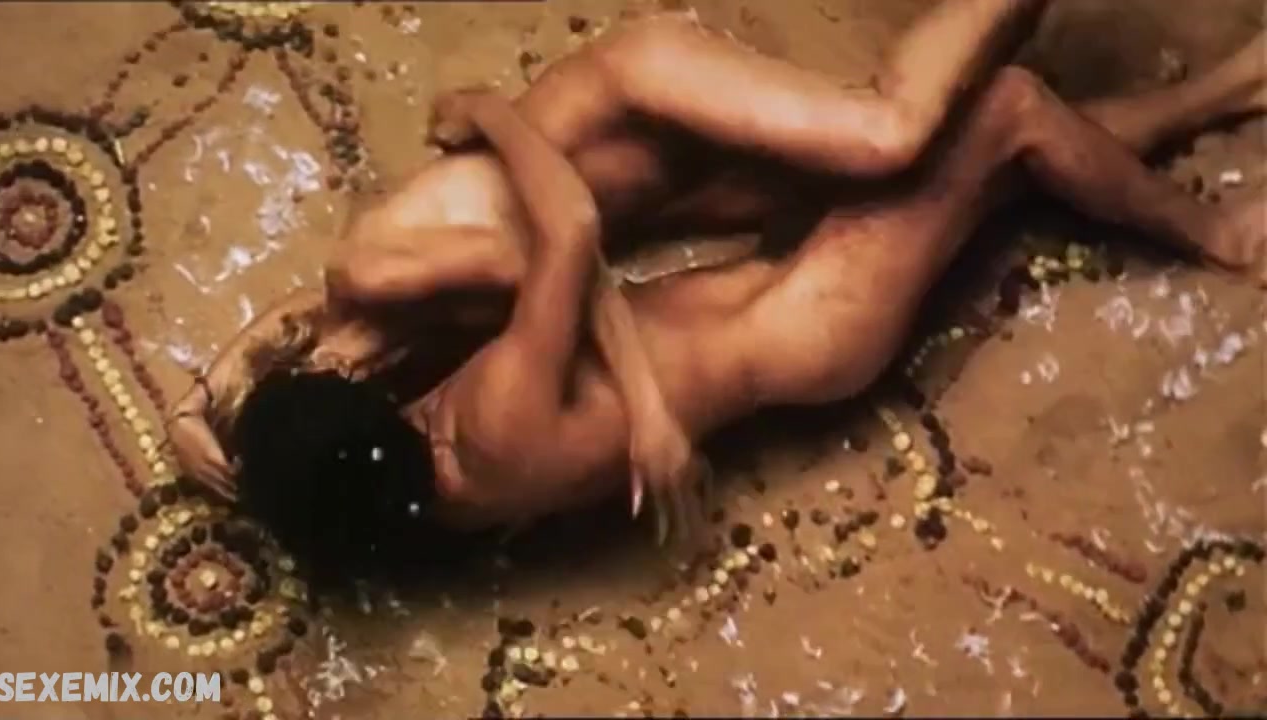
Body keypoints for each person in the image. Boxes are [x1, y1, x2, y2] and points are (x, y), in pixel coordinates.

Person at [168, 0, 1266, 582]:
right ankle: (1214, 233)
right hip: (813, 319)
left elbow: (304, 433)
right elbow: (569, 231)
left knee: (984, 163)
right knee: (1008, 111)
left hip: (780, 309)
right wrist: (482, 110)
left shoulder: (420, 504)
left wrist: (220, 435)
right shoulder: (487, 423)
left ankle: (1220, 93)